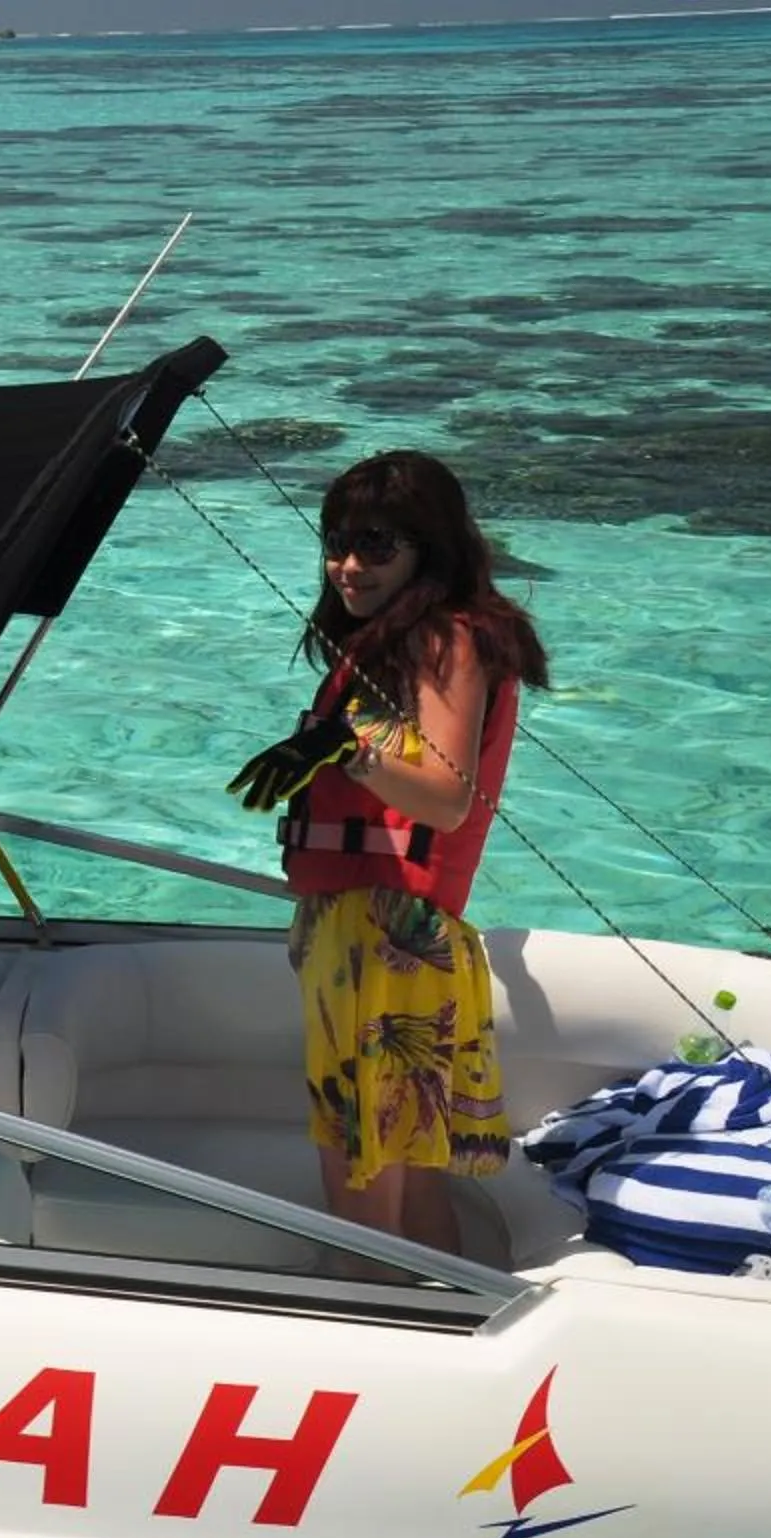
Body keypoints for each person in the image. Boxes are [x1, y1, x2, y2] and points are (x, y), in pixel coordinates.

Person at [228, 450, 550, 1253]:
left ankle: (377, 1318)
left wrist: (345, 752)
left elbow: (445, 797)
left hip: (387, 940)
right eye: (335, 542)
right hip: (376, 932)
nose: (347, 565)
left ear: (427, 548)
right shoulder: (401, 645)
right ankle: (443, 1318)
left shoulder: (446, 639)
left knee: (361, 1171)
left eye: (375, 544)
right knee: (402, 1162)